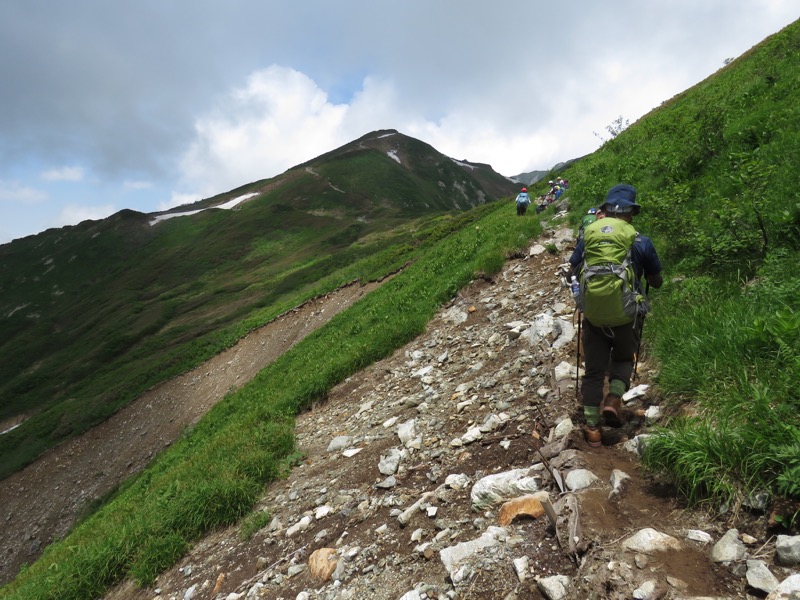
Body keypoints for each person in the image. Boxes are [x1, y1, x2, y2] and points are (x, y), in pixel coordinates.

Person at [567, 184, 663, 447]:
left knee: (594, 371)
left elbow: (573, 270)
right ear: (631, 213)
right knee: (623, 358)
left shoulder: (588, 236)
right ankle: (613, 399)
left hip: (594, 317)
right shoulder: (641, 241)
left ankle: (592, 428)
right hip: (627, 316)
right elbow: (656, 282)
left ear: (606, 210)